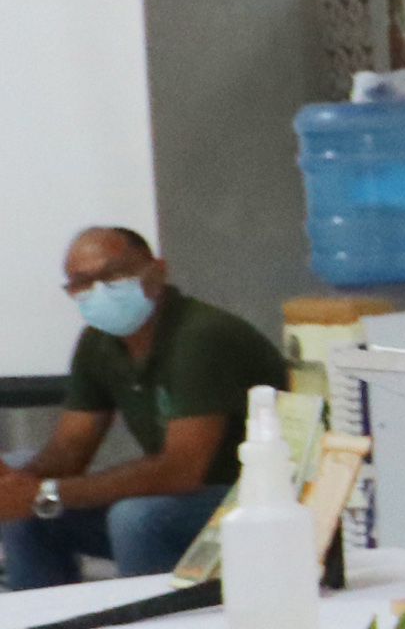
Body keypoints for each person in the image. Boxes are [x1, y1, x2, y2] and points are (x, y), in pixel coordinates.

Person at [2, 228, 289, 590]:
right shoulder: (99, 342)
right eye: (82, 283)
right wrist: (15, 485)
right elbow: (69, 451)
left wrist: (45, 494)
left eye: (114, 275)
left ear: (158, 271)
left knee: (137, 518)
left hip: (252, 502)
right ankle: (42, 617)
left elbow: (182, 470)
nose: (99, 291)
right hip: (180, 501)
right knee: (23, 491)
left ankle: (155, 619)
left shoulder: (201, 336)